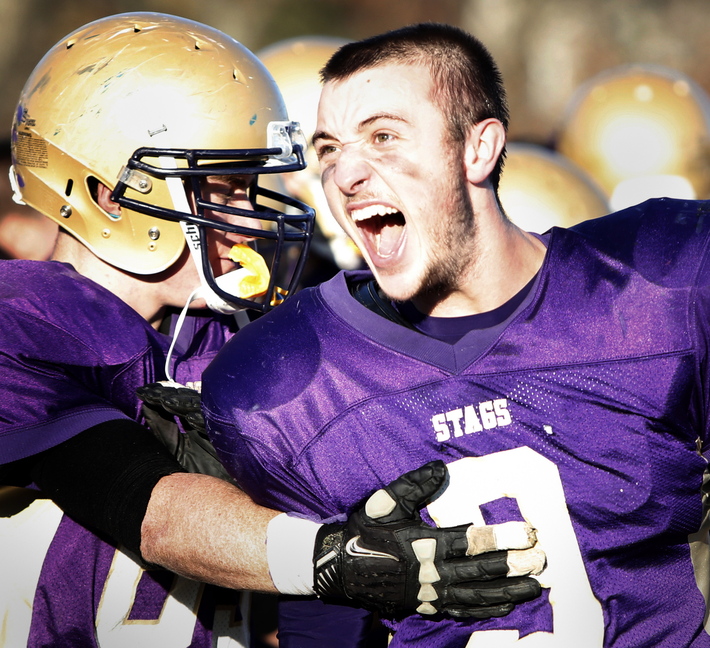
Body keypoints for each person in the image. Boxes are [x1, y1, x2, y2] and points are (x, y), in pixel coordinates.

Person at [0, 14, 543, 648]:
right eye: (219, 189)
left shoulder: (245, 336)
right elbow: (142, 505)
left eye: (250, 187)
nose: (249, 217)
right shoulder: (27, 321)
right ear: (108, 196)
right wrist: (324, 557)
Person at [202, 22, 710, 647]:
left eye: (383, 136)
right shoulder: (284, 379)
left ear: (479, 149)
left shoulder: (666, 283)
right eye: (329, 148)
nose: (344, 173)